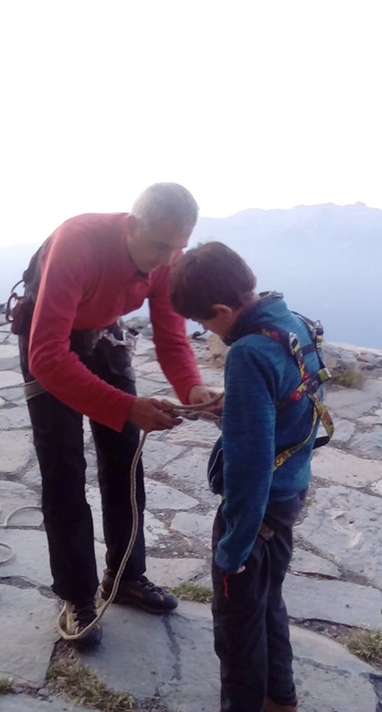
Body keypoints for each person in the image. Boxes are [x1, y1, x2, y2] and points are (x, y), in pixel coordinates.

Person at [15, 182, 215, 646]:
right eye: (160, 246)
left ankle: (124, 577)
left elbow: (171, 337)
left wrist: (193, 387)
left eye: (178, 247)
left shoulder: (162, 258)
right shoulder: (79, 243)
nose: (168, 260)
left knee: (125, 462)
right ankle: (76, 595)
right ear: (130, 226)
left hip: (103, 335)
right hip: (49, 342)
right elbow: (47, 356)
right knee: (64, 471)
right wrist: (127, 407)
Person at [170, 241, 331, 712]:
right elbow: (291, 403)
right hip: (289, 494)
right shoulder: (292, 322)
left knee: (237, 621)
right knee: (268, 601)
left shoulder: (248, 354)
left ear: (221, 309)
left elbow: (248, 462)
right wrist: (237, 405)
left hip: (256, 512)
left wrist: (233, 547)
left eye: (205, 323)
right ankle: (280, 697)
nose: (208, 333)